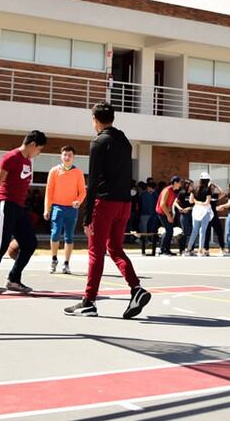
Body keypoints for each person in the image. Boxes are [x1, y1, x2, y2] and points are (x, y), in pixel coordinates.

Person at [64, 102, 151, 319]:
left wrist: (86, 217)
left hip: (104, 203)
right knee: (115, 248)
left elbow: (93, 181)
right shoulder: (124, 141)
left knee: (96, 252)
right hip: (124, 203)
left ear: (95, 119)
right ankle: (136, 288)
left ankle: (89, 301)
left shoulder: (98, 142)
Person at [0, 130, 48, 294]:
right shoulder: (10, 157)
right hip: (5, 204)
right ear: (32, 144)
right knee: (1, 244)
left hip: (19, 208)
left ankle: (14, 280)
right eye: (39, 149)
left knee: (30, 243)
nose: (39, 153)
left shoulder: (28, 161)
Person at [45, 145, 86, 274]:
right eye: (65, 155)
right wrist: (47, 208)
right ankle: (54, 259)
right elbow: (49, 191)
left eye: (70, 155)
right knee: (55, 233)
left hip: (72, 209)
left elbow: (82, 192)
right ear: (61, 156)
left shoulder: (78, 172)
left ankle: (66, 263)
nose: (67, 157)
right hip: (57, 207)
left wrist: (78, 201)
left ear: (73, 157)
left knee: (69, 236)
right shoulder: (54, 171)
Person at [186, 172, 216, 256]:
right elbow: (207, 202)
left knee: (194, 231)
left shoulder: (195, 189)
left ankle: (188, 249)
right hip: (205, 211)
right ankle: (200, 250)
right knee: (202, 231)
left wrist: (196, 202)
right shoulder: (208, 190)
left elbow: (191, 201)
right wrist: (200, 202)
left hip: (196, 211)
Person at [155, 176, 182, 255]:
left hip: (167, 213)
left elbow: (169, 204)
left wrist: (171, 213)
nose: (180, 184)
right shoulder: (167, 190)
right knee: (169, 230)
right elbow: (162, 204)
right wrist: (168, 216)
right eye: (179, 183)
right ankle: (162, 250)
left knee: (170, 231)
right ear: (175, 183)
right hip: (162, 212)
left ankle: (166, 249)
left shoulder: (173, 191)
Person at [175, 179, 195, 253]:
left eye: (193, 185)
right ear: (187, 185)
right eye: (191, 185)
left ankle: (191, 249)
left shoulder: (194, 193)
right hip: (184, 214)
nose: (193, 187)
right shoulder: (182, 193)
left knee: (193, 231)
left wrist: (189, 208)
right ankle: (182, 249)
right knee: (184, 232)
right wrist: (180, 208)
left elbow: (197, 204)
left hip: (192, 214)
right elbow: (175, 202)